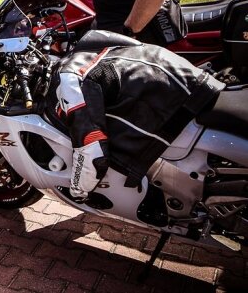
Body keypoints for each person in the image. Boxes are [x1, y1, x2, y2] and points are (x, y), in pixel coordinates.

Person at [46, 30, 223, 200]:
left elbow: (93, 152)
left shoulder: (69, 78)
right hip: (199, 83)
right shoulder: (95, 42)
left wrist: (78, 190)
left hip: (180, 107)